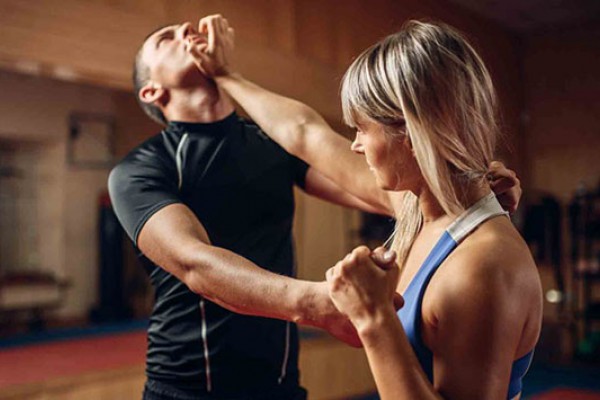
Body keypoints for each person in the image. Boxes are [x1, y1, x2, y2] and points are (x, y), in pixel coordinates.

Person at [110, 15, 523, 400]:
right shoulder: (140, 169)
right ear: (151, 91)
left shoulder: (267, 144)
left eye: (185, 27)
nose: (186, 31)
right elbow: (196, 264)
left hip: (281, 384)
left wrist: (464, 181)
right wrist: (323, 303)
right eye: (166, 39)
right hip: (188, 386)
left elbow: (341, 159)